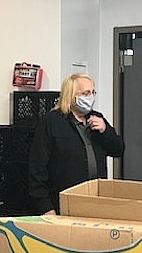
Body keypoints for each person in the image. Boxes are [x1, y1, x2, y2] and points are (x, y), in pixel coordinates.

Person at [29, 73, 125, 215]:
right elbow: (37, 167)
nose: (91, 97)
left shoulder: (97, 118)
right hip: (64, 201)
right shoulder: (51, 122)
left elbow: (118, 150)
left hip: (95, 199)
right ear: (71, 95)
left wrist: (105, 130)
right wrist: (45, 207)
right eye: (86, 93)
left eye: (93, 92)